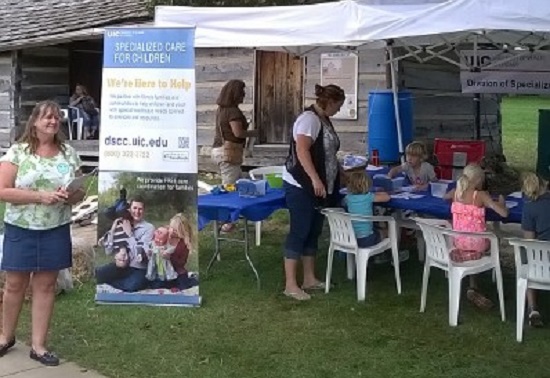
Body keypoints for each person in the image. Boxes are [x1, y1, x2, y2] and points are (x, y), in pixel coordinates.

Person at [0, 100, 85, 366]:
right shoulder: (18, 152)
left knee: (46, 286)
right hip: (21, 227)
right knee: (15, 284)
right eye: (47, 117)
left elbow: (80, 191)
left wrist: (70, 196)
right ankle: (6, 336)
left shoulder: (69, 153)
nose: (53, 121)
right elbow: (3, 190)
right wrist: (40, 197)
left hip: (55, 229)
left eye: (57, 118)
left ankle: (38, 346)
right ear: (35, 122)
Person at [282, 83, 346, 301]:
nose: (339, 110)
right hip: (302, 185)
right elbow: (302, 150)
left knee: (313, 230)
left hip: (320, 185)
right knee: (299, 231)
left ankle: (309, 278)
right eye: (339, 105)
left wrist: (340, 173)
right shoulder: (309, 120)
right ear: (330, 102)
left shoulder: (324, 119)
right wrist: (315, 178)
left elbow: (328, 153)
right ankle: (290, 284)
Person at [446, 164, 508, 310]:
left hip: (459, 242)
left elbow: (444, 196)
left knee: (474, 239)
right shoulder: (480, 195)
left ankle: (473, 287)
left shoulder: (456, 192)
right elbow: (503, 213)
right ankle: (492, 279)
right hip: (477, 244)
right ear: (479, 180)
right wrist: (502, 203)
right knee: (494, 238)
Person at [210, 79, 257, 232]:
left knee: (235, 183)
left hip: (219, 151)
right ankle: (224, 221)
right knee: (229, 187)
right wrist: (255, 133)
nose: (244, 95)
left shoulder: (221, 109)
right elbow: (238, 133)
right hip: (228, 153)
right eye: (242, 92)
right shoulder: (233, 112)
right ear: (235, 94)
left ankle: (231, 217)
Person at [95, 197, 155, 292]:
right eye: (134, 208)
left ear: (144, 211)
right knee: (97, 274)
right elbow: (108, 252)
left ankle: (114, 282)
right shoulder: (120, 223)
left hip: (138, 267)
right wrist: (113, 229)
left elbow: (140, 254)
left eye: (140, 209)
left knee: (132, 286)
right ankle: (118, 280)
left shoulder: (149, 228)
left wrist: (130, 234)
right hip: (121, 265)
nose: (137, 211)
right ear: (129, 209)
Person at [520, 172, 550, 327]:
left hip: (542, 265)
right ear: (545, 184)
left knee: (527, 254)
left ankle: (533, 308)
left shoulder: (529, 208)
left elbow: (529, 241)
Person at [150, 213, 198, 291]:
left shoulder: (183, 244)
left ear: (181, 231)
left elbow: (181, 262)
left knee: (183, 286)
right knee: (157, 285)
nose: (171, 231)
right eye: (171, 228)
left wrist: (170, 257)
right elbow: (154, 242)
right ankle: (170, 283)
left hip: (177, 271)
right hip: (164, 271)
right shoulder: (165, 234)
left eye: (175, 230)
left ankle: (192, 279)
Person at [345, 171, 390, 247]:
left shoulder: (347, 198)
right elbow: (387, 197)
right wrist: (378, 192)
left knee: (375, 229)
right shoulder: (368, 197)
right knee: (386, 232)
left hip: (351, 238)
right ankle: (387, 253)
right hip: (367, 238)